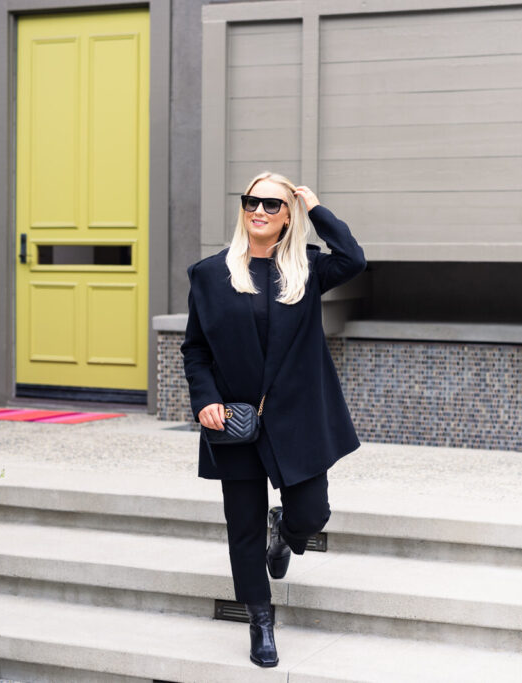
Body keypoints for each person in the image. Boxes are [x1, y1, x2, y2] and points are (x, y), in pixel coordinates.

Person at [180, 171, 366, 667]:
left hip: (297, 419)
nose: (258, 211)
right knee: (242, 528)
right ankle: (261, 624)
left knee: (312, 514)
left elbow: (353, 258)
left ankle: (284, 532)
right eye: (250, 202)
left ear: (287, 218)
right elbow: (194, 349)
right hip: (233, 421)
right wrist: (204, 399)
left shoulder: (306, 268)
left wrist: (317, 208)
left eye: (271, 205)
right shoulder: (210, 273)